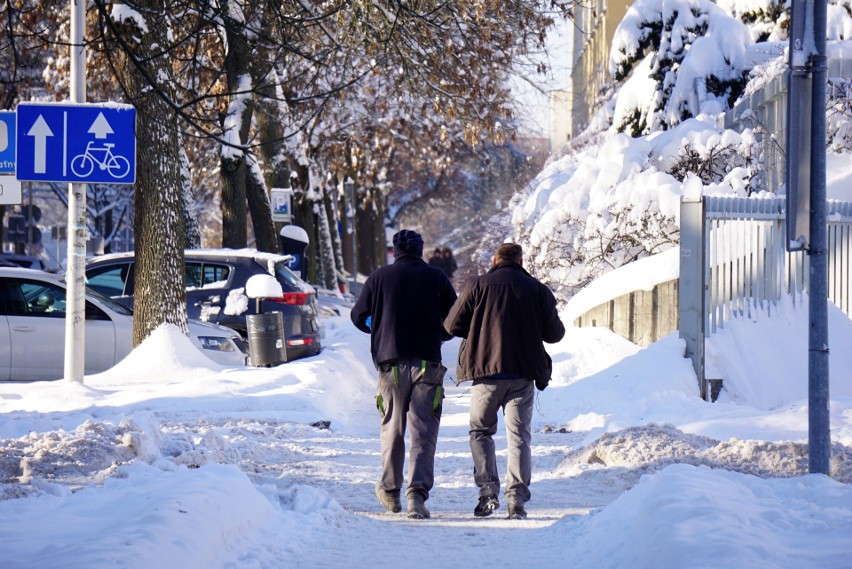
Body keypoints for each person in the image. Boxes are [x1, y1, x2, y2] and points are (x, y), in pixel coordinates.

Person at [443, 242, 565, 520]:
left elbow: (451, 326)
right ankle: (517, 501)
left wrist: (476, 326)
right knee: (519, 437)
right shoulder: (537, 290)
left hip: (485, 374)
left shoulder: (478, 285)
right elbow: (555, 334)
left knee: (480, 432)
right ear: (521, 262)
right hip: (522, 376)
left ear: (495, 260)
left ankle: (488, 491)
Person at [351, 229, 457, 519]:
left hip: (390, 365)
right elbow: (454, 319)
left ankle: (390, 492)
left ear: (395, 250)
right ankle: (417, 497)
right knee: (423, 431)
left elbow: (357, 317)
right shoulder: (437, 277)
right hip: (428, 365)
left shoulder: (378, 278)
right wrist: (438, 333)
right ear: (420, 250)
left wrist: (378, 325)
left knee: (392, 428)